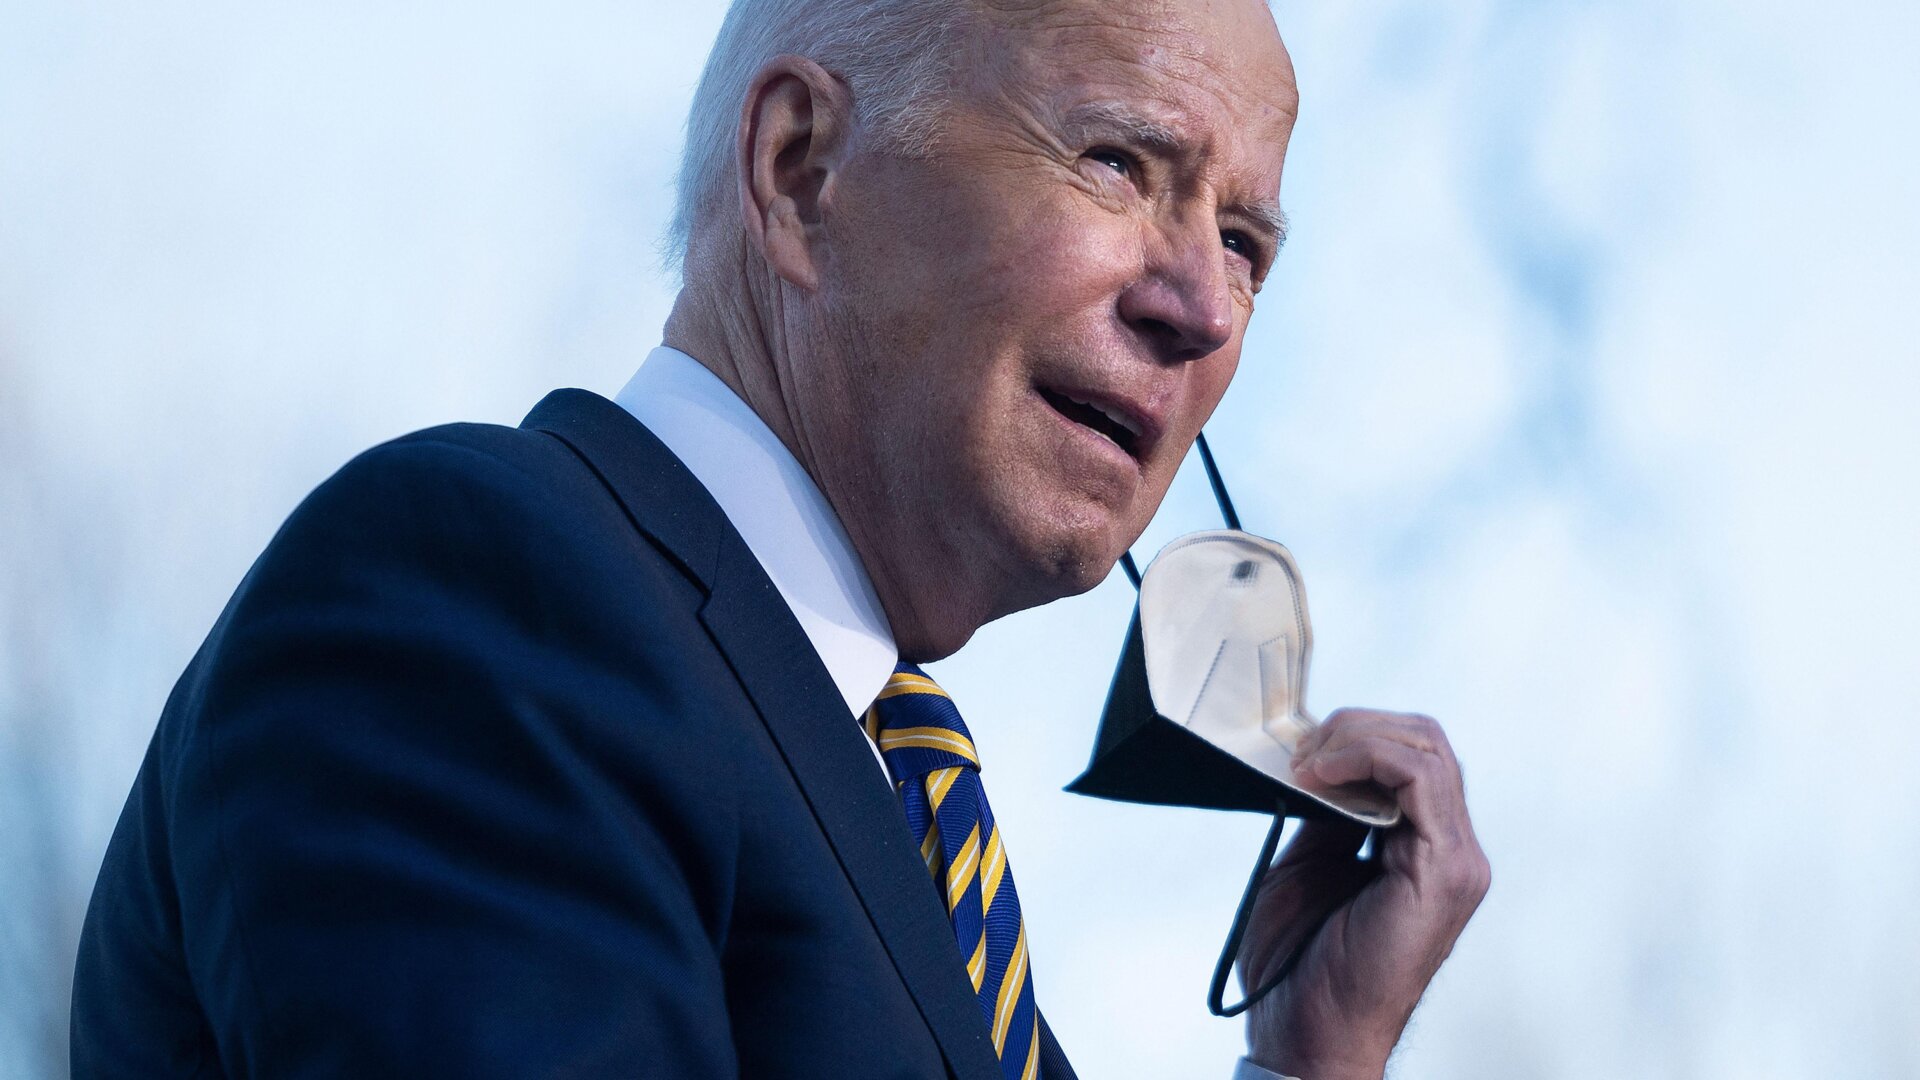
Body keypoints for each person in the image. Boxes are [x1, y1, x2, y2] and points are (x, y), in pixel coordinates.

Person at [70, 0, 1490, 1076]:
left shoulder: (905, 840)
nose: (1206, 305)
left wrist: (1303, 1068)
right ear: (803, 168)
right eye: (1119, 164)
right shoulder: (481, 589)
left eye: (1246, 242)